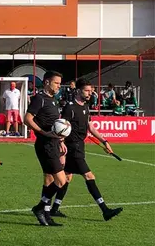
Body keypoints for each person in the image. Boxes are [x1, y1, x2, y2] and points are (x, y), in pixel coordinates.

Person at [49, 79, 123, 221]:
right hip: (72, 147)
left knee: (66, 178)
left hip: (79, 146)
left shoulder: (86, 106)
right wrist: (61, 145)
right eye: (87, 91)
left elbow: (91, 127)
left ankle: (52, 207)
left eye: (90, 90)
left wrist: (105, 141)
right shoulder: (70, 108)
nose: (90, 93)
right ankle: (105, 210)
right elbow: (61, 128)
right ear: (78, 91)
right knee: (89, 176)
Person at [24, 71, 67, 227]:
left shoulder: (53, 100)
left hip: (54, 144)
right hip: (45, 145)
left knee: (49, 179)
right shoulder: (39, 99)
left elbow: (55, 125)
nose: (59, 86)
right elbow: (27, 119)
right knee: (61, 181)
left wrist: (61, 140)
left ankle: (46, 215)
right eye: (56, 83)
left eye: (60, 83)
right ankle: (39, 208)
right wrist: (42, 132)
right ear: (47, 82)